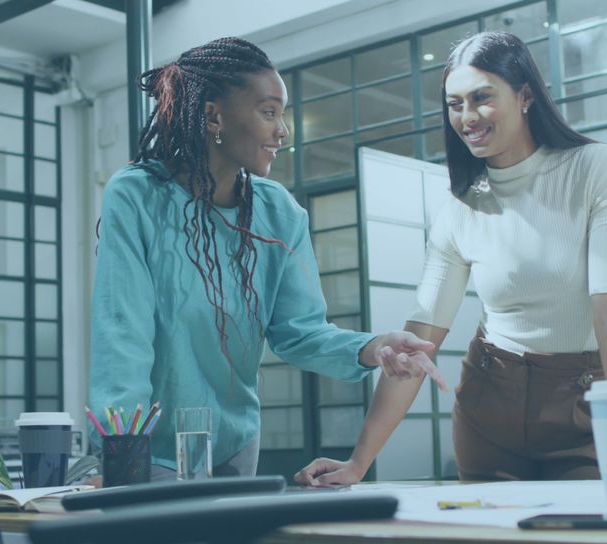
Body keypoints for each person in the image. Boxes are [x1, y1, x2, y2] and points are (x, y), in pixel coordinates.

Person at [295, 31, 607, 485]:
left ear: (524, 96)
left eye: (482, 98)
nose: (467, 116)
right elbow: (419, 340)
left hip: (583, 406)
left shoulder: (595, 168)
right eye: (454, 103)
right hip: (489, 409)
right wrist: (359, 462)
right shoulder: (459, 208)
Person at [89, 37, 445, 481]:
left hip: (235, 444)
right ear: (213, 115)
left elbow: (299, 332)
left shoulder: (280, 212)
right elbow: (123, 333)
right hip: (149, 447)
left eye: (282, 113)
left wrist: (373, 347)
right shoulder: (137, 194)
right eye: (269, 111)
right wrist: (123, 451)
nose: (283, 131)